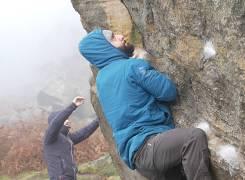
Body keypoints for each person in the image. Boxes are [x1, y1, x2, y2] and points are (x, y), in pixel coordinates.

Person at [79, 28, 213, 180]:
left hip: (140, 157)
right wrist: (144, 63)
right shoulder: (131, 67)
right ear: (104, 48)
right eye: (113, 38)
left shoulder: (102, 79)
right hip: (149, 145)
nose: (121, 36)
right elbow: (168, 92)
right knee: (193, 138)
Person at [43, 96, 100, 180]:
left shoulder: (67, 138)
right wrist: (73, 105)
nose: (68, 120)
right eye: (65, 119)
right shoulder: (50, 138)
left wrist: (99, 119)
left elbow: (85, 132)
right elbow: (57, 122)